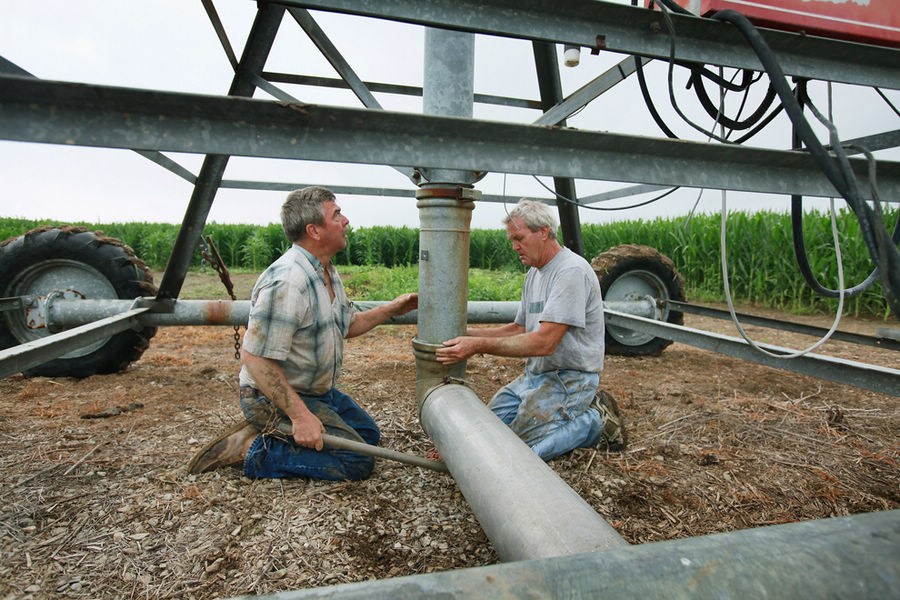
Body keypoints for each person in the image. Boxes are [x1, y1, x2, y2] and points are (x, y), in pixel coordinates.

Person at [188, 186, 418, 480]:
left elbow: (345, 325)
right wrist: (300, 416)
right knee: (358, 461)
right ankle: (251, 447)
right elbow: (255, 359)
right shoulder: (288, 281)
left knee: (367, 435)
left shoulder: (325, 270)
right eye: (337, 214)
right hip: (269, 396)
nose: (345, 220)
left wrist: (391, 309)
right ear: (315, 231)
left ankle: (280, 431)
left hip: (315, 391)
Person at [435, 199, 624, 461]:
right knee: (485, 430)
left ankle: (595, 422)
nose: (514, 246)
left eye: (519, 238)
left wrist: (477, 346)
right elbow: (518, 329)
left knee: (518, 454)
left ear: (544, 232)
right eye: (511, 240)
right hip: (535, 375)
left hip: (570, 379)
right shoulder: (534, 274)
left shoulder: (571, 271)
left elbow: (544, 343)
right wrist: (464, 334)